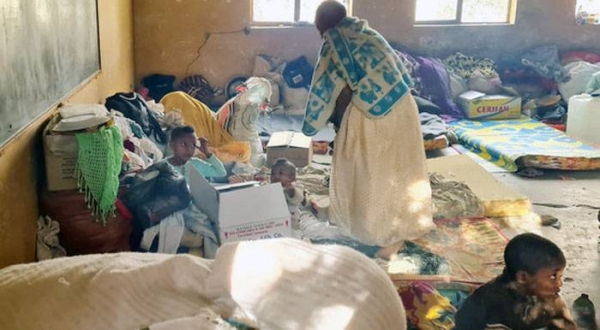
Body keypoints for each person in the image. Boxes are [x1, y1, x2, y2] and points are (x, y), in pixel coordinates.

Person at [302, 0, 433, 258]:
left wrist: (313, 125)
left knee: (366, 169)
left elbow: (325, 89)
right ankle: (406, 223)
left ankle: (372, 230)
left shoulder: (335, 43)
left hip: (372, 115)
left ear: (321, 25)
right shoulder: (368, 33)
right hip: (404, 106)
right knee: (400, 167)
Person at [454, 233, 577, 329]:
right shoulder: (485, 302)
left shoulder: (551, 301)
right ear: (523, 277)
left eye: (560, 277)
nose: (559, 284)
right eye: (553, 277)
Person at [142, 125, 227, 257]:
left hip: (194, 209)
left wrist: (206, 152)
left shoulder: (195, 164)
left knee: (212, 231)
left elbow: (220, 172)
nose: (189, 149)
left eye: (193, 145)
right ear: (172, 145)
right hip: (171, 208)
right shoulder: (162, 166)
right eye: (183, 144)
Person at [270, 158, 306, 229]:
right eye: (272, 174)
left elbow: (299, 198)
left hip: (291, 221)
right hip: (274, 219)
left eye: (280, 173)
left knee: (293, 234)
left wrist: (291, 191)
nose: (275, 176)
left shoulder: (295, 187)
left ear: (291, 178)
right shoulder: (270, 187)